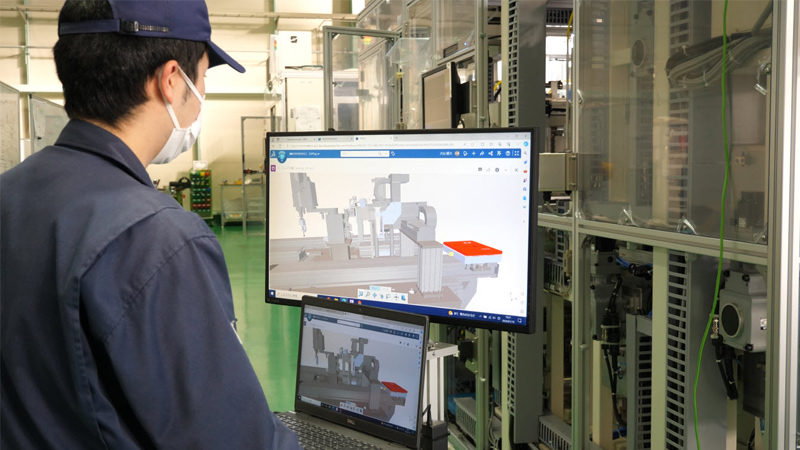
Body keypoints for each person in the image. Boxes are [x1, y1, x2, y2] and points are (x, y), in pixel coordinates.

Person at [0, 1, 301, 449]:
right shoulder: (158, 239)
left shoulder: (10, 193)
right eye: (203, 77)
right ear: (172, 80)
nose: (201, 94)